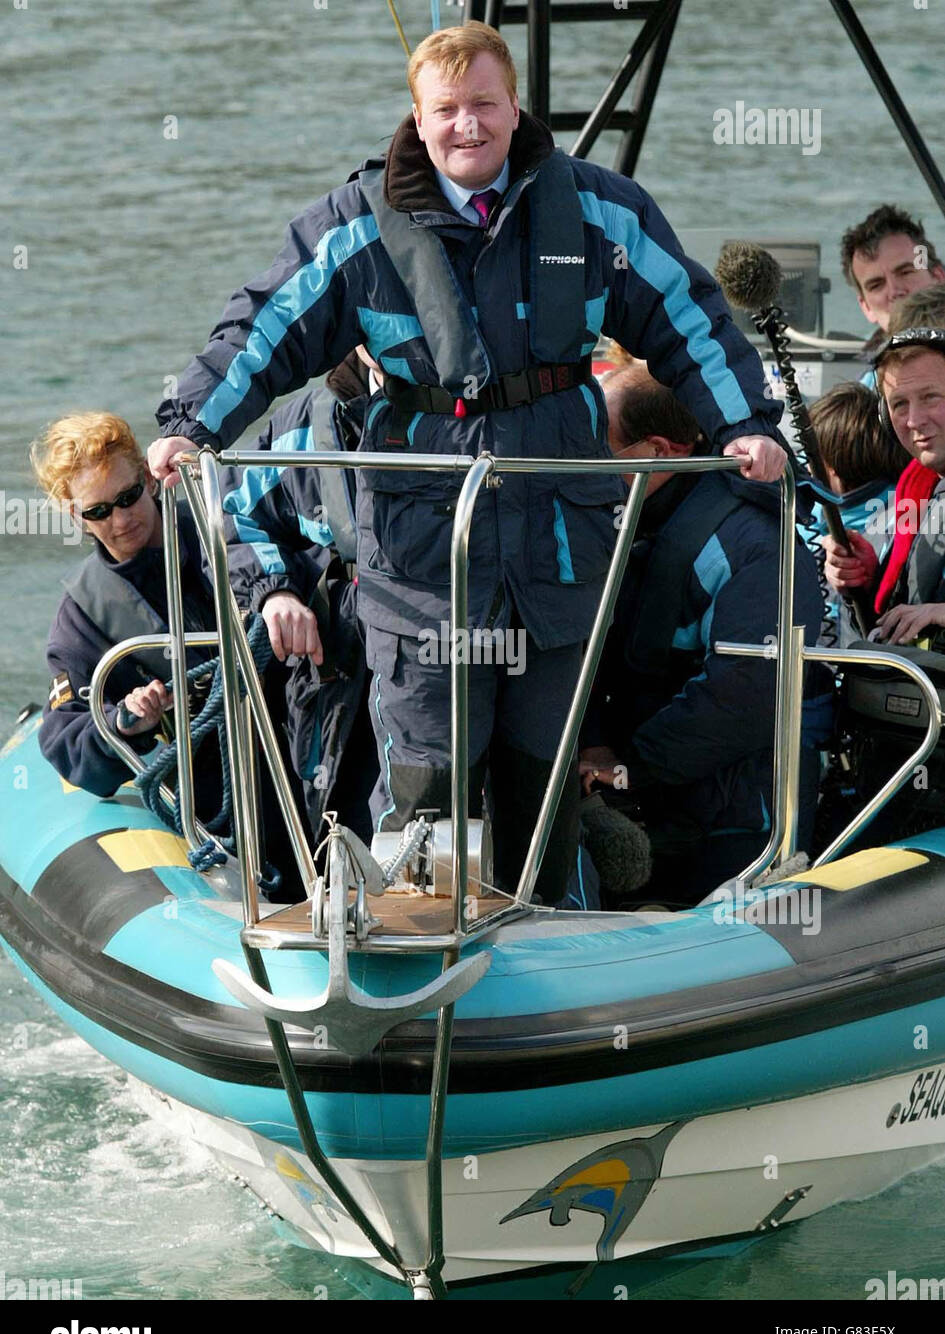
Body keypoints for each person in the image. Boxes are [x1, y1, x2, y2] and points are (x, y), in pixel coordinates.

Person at [146, 22, 786, 903]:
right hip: (421, 565)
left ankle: (552, 941)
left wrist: (746, 425)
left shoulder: (601, 212)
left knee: (541, 771)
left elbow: (691, 319)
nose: (468, 126)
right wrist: (191, 426)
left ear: (513, 105)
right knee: (424, 775)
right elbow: (261, 329)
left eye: (483, 104)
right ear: (417, 118)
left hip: (556, 552)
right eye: (446, 110)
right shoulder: (351, 228)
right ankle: (403, 935)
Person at [578, 364, 825, 906]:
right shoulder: (624, 522)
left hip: (733, 822)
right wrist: (595, 742)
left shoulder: (753, 544)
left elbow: (746, 694)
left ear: (660, 451)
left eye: (600, 447)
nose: (585, 464)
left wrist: (627, 769)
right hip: (648, 798)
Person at [219, 349, 378, 845]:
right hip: (342, 665)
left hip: (453, 651)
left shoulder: (491, 417)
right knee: (344, 813)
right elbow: (234, 517)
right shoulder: (302, 425)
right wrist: (274, 592)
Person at [31, 412, 218, 800]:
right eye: (99, 511)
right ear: (77, 517)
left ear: (149, 480)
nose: (120, 519)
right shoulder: (81, 618)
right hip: (213, 787)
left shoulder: (222, 531)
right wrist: (123, 725)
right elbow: (67, 743)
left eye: (127, 497)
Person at [823, 329, 945, 646]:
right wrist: (867, 581)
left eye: (931, 397)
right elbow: (886, 630)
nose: (914, 420)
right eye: (900, 404)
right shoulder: (918, 491)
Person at [801, 382, 908, 646]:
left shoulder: (899, 527)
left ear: (830, 466)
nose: (805, 467)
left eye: (811, 458)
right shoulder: (912, 511)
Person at [840, 204, 945, 383]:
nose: (895, 291)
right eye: (876, 285)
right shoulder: (867, 385)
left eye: (905, 272)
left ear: (938, 277)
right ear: (866, 308)